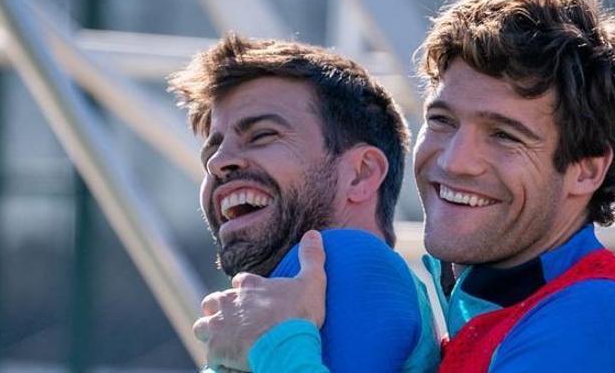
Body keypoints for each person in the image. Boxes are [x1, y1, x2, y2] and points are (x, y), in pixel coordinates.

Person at [195, 0, 615, 373]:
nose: (454, 160)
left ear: (586, 170)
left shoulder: (601, 319)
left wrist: (276, 349)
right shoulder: (478, 313)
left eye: (504, 135)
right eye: (442, 121)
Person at [168, 34, 440, 372]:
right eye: (212, 151)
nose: (217, 162)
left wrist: (276, 345)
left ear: (360, 173)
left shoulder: (350, 257)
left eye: (262, 135)